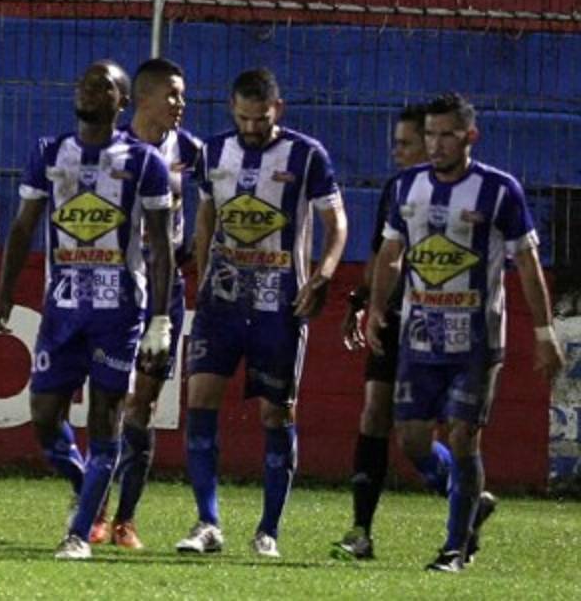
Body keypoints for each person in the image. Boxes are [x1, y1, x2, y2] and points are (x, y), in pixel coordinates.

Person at [367, 92, 563, 572]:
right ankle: (471, 502)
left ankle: (454, 548)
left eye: (447, 135)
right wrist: (375, 306)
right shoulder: (406, 186)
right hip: (419, 337)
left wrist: (544, 332)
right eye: (430, 134)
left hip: (477, 342)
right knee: (412, 440)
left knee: (462, 436)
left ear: (470, 136)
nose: (436, 144)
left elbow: (528, 263)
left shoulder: (499, 190)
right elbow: (391, 253)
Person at [0, 59, 175, 560]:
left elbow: (161, 247)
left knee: (105, 418)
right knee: (43, 415)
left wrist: (160, 320)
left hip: (119, 312)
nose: (89, 91)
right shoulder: (49, 153)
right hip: (62, 307)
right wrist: (5, 291)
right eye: (84, 83)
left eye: (103, 86)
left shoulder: (144, 162)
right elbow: (23, 226)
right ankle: (86, 486)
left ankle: (78, 534)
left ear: (122, 101)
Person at [174, 67, 348, 558]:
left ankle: (268, 530)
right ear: (232, 109)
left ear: (278, 110)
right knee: (200, 399)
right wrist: (203, 274)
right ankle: (208, 522)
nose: (251, 127)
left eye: (261, 119)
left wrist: (323, 276)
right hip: (222, 302)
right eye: (244, 118)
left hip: (280, 304)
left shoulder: (306, 155)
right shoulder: (212, 153)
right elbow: (207, 214)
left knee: (276, 411)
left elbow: (336, 223)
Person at [89, 57, 202, 550]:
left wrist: (194, 248)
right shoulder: (112, 149)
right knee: (109, 400)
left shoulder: (192, 151)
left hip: (163, 290)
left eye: (183, 95)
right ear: (142, 98)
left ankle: (125, 519)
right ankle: (94, 510)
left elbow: (214, 203)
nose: (181, 103)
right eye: (172, 95)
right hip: (115, 289)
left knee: (143, 403)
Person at [331, 104, 433, 560]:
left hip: (439, 320)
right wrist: (361, 302)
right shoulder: (396, 188)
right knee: (374, 412)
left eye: (405, 144)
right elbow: (381, 254)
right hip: (392, 316)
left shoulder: (470, 192)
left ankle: (464, 500)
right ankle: (361, 531)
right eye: (396, 143)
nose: (397, 152)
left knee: (420, 434)